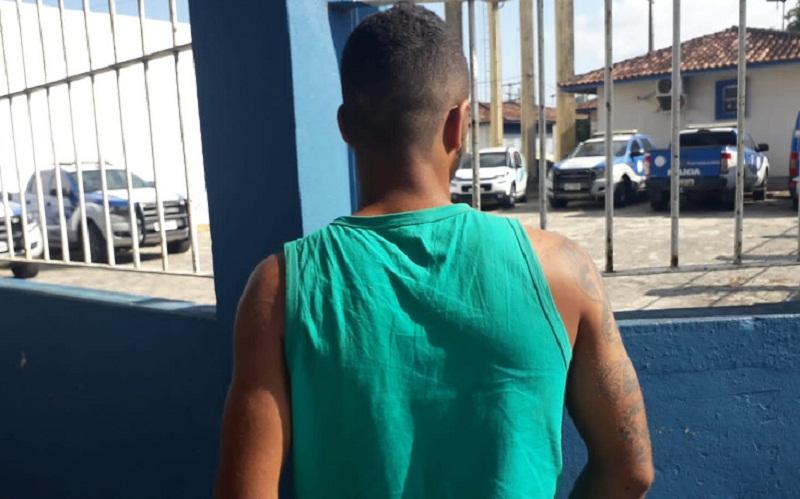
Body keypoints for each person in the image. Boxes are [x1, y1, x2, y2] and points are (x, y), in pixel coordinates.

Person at [214, 4, 653, 498]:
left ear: (346, 126)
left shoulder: (280, 287)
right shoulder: (563, 269)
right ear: (459, 123)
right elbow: (631, 471)